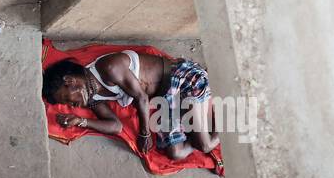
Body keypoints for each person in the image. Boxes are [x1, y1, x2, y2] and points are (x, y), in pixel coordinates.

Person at [42, 50, 219, 161]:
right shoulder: (91, 97)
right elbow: (116, 126)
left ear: (70, 81)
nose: (71, 105)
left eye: (66, 98)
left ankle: (226, 113)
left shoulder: (109, 67)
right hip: (165, 98)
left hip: (181, 78)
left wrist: (145, 132)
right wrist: (81, 121)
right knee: (176, 153)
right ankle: (198, 111)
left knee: (204, 145)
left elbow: (141, 97)